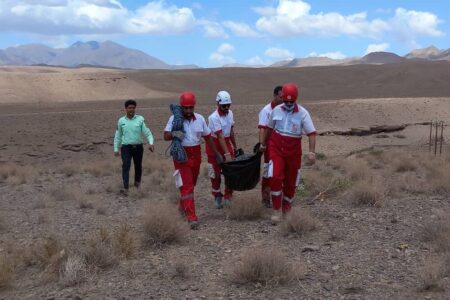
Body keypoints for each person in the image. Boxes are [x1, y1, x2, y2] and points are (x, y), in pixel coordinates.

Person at [260, 83, 317, 224]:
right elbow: (269, 128)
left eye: (292, 102)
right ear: (282, 98)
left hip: (293, 152)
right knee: (275, 177)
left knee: (291, 182)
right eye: (286, 101)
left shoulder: (303, 113)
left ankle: (287, 209)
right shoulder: (276, 110)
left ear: (296, 99)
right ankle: (276, 210)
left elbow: (311, 133)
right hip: (277, 148)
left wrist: (312, 152)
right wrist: (263, 143)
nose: (289, 104)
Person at [164, 92, 220, 229]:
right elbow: (165, 136)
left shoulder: (200, 119)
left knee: (191, 184)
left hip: (196, 154)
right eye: (186, 108)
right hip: (181, 155)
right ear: (181, 107)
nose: (188, 110)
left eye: (191, 107)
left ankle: (181, 209)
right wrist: (175, 133)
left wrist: (217, 153)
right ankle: (192, 217)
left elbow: (207, 137)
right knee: (187, 186)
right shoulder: (174, 119)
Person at [114, 99, 154, 195]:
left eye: (133, 108)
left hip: (138, 147)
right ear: (126, 109)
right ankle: (126, 188)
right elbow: (118, 135)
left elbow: (147, 133)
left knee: (138, 166)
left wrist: (151, 143)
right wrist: (116, 148)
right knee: (126, 166)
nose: (131, 110)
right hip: (126, 147)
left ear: (135, 108)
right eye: (129, 108)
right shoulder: (121, 121)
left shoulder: (140, 119)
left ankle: (137, 186)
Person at [206, 90, 238, 209]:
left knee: (230, 172)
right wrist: (226, 154)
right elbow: (219, 136)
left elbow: (231, 131)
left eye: (228, 105)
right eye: (224, 105)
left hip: (226, 142)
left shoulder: (230, 114)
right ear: (218, 104)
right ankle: (217, 195)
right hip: (214, 146)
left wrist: (234, 147)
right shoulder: (213, 117)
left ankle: (228, 195)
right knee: (215, 174)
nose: (226, 107)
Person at [258, 85, 283, 208]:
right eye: (281, 96)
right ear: (274, 96)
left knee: (280, 171)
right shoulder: (266, 110)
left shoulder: (284, 109)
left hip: (281, 144)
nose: (283, 99)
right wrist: (262, 145)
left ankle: (279, 196)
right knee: (268, 172)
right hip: (269, 145)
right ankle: (266, 198)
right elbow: (262, 129)